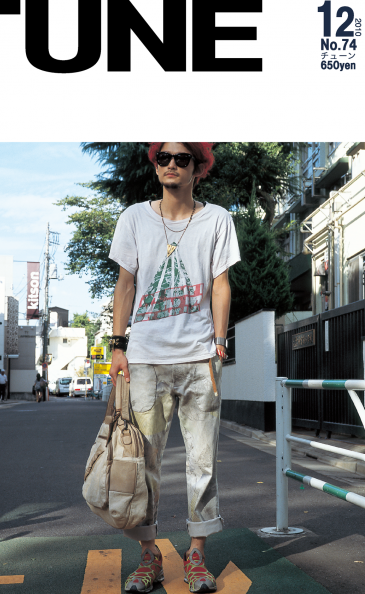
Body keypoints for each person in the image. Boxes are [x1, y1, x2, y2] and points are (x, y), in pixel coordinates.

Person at [108, 143, 241, 593]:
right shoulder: (134, 218)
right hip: (145, 360)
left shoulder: (217, 219)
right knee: (142, 463)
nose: (170, 164)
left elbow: (221, 284)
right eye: (162, 157)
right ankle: (149, 556)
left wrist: (219, 343)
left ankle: (197, 554)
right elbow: (125, 285)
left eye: (181, 158)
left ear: (198, 168)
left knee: (202, 462)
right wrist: (118, 346)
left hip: (200, 359)